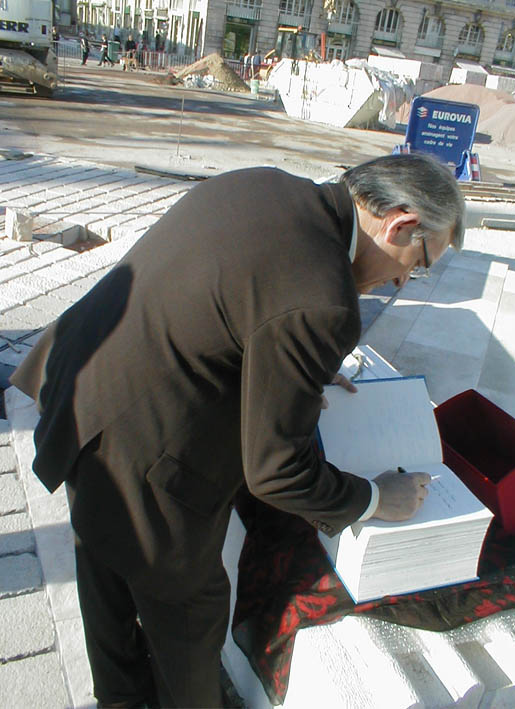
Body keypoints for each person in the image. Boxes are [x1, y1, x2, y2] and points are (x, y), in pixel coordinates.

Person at [10, 154, 464, 708]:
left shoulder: (268, 184)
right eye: (419, 263)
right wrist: (374, 498)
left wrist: (297, 373)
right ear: (400, 223)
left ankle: (119, 697)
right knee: (189, 620)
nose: (403, 279)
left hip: (85, 389)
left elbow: (233, 307)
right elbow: (278, 472)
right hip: (145, 455)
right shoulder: (324, 299)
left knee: (103, 574)